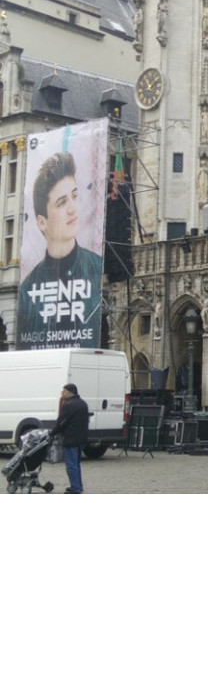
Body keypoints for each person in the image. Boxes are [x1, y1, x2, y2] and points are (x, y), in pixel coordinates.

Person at [17, 152, 103, 350]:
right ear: (42, 222)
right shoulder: (27, 290)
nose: (73, 209)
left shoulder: (98, 269)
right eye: (62, 202)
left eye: (74, 196)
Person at [50, 383, 89, 493]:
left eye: (64, 391)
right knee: (76, 464)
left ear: (71, 392)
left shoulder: (68, 405)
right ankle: (78, 486)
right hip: (81, 438)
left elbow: (62, 422)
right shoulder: (83, 403)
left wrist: (53, 433)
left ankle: (75, 488)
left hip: (70, 438)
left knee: (71, 465)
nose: (62, 392)